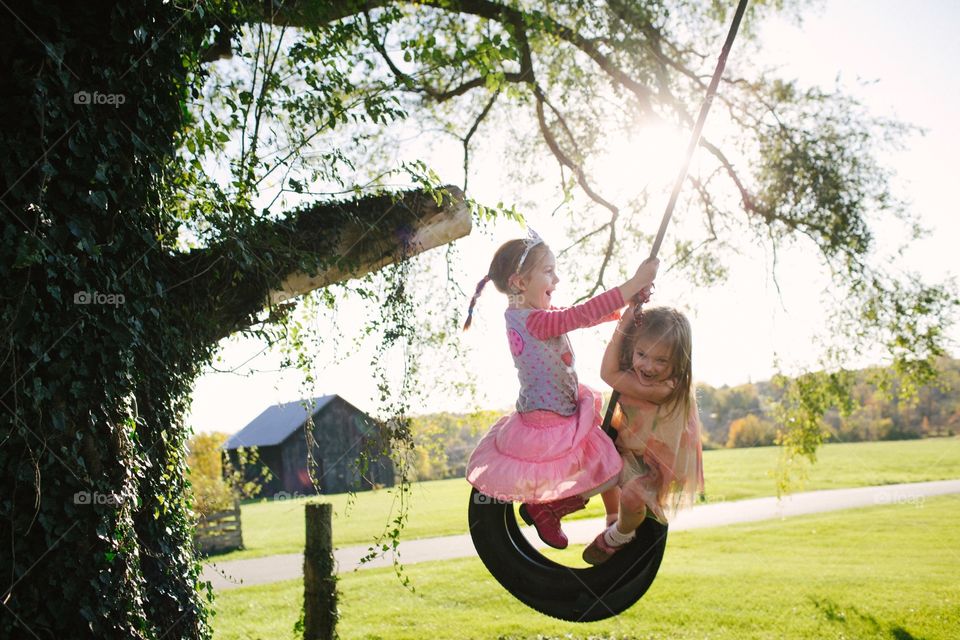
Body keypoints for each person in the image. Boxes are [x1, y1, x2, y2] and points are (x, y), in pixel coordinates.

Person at [464, 230, 659, 549]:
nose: (557, 278)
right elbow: (579, 315)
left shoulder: (529, 316)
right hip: (551, 421)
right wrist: (632, 285)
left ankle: (611, 521)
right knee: (607, 470)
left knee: (604, 455)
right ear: (520, 283)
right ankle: (548, 509)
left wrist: (625, 309)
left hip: (557, 411)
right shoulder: (532, 321)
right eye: (548, 271)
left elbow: (578, 316)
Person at [582, 304, 704, 564]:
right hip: (630, 450)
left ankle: (620, 535)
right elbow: (610, 371)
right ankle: (611, 515)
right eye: (642, 354)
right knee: (600, 456)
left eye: (662, 360)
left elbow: (608, 373)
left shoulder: (667, 389)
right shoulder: (638, 371)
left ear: (680, 362)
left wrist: (626, 324)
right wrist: (626, 318)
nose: (649, 366)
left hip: (654, 466)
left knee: (633, 496)